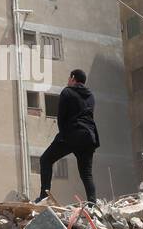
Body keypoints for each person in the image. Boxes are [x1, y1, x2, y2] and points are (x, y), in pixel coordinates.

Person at [37, 68, 99, 205]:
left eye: (69, 78)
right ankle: (93, 203)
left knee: (45, 160)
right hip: (89, 137)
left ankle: (43, 197)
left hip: (73, 133)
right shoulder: (91, 96)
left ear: (72, 78)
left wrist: (63, 136)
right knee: (86, 174)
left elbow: (61, 117)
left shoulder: (67, 92)